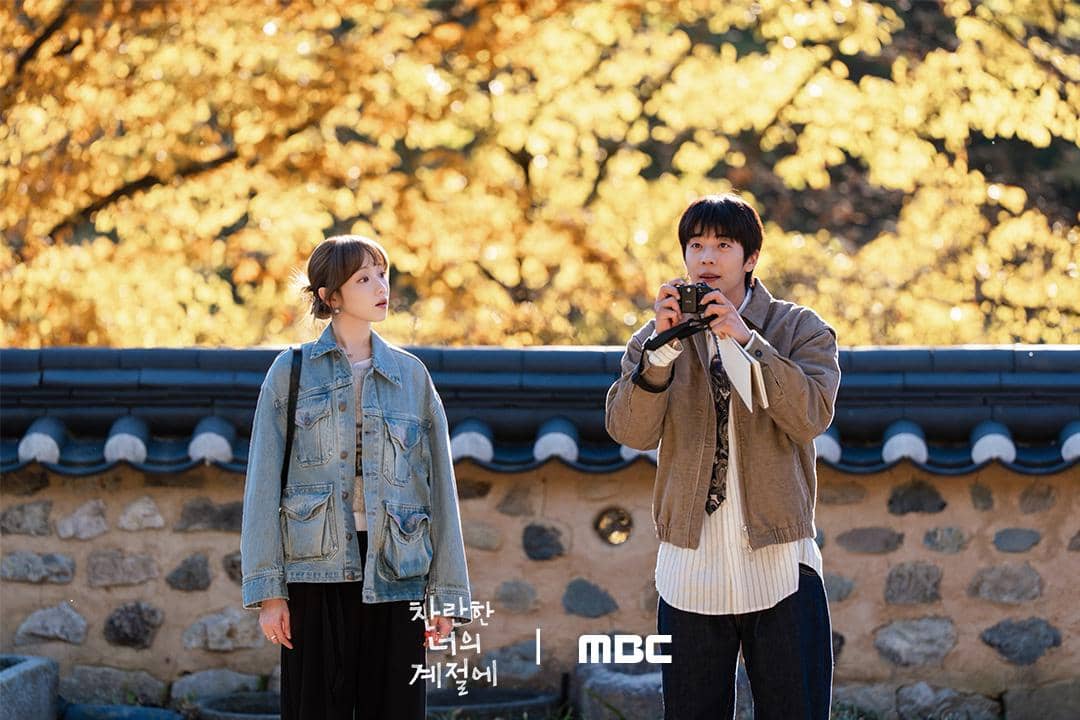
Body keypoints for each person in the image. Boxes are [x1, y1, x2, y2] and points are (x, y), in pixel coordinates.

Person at [605, 194, 841, 720]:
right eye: (696, 246)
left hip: (780, 560)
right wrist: (660, 353)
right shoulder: (654, 338)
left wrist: (746, 340)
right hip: (689, 566)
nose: (707, 257)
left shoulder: (798, 328)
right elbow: (629, 430)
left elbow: (810, 416)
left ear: (751, 257)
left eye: (723, 245)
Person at [240, 234, 471, 720]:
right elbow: (261, 485)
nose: (381, 287)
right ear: (331, 296)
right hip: (315, 572)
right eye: (364, 278)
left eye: (382, 274)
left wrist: (445, 595)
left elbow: (441, 493)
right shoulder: (290, 372)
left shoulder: (412, 377)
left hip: (398, 570)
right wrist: (269, 593)